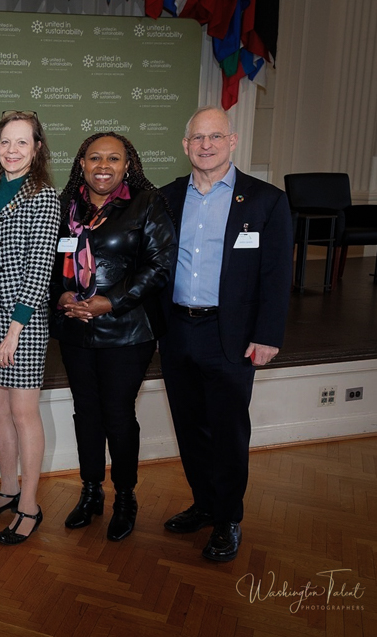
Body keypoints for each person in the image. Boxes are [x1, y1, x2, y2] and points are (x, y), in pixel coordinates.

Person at [158, 106, 292, 562]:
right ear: (185, 145)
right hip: (177, 329)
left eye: (215, 136)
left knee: (228, 430)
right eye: (198, 138)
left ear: (232, 142)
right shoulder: (168, 197)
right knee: (190, 427)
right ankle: (204, 504)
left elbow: (275, 276)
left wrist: (268, 334)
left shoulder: (265, 200)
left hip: (231, 335)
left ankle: (228, 518)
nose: (206, 145)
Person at [48, 132, 176, 542]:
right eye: (95, 158)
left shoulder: (146, 203)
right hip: (76, 328)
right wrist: (61, 293)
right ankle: (90, 493)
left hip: (127, 330)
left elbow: (159, 265)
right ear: (81, 164)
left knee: (118, 414)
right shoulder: (66, 206)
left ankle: (125, 496)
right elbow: (47, 260)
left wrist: (110, 302)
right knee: (86, 412)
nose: (103, 166)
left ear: (127, 165)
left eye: (114, 159)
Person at [0, 111, 60, 545]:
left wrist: (15, 329)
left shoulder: (43, 196)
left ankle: (29, 503)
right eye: (5, 142)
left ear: (37, 148)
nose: (12, 150)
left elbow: (41, 268)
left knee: (24, 414)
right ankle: (7, 488)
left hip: (21, 319)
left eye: (22, 143)